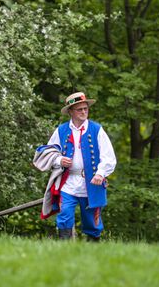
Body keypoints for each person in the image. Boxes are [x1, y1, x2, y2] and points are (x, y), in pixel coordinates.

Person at [43, 92, 116, 242]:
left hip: (91, 182)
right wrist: (59, 160)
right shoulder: (61, 130)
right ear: (70, 111)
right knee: (65, 213)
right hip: (67, 181)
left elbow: (108, 156)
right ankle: (65, 248)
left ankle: (93, 249)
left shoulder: (96, 129)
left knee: (91, 220)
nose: (83, 112)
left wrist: (100, 173)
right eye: (79, 109)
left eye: (85, 109)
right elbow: (48, 152)